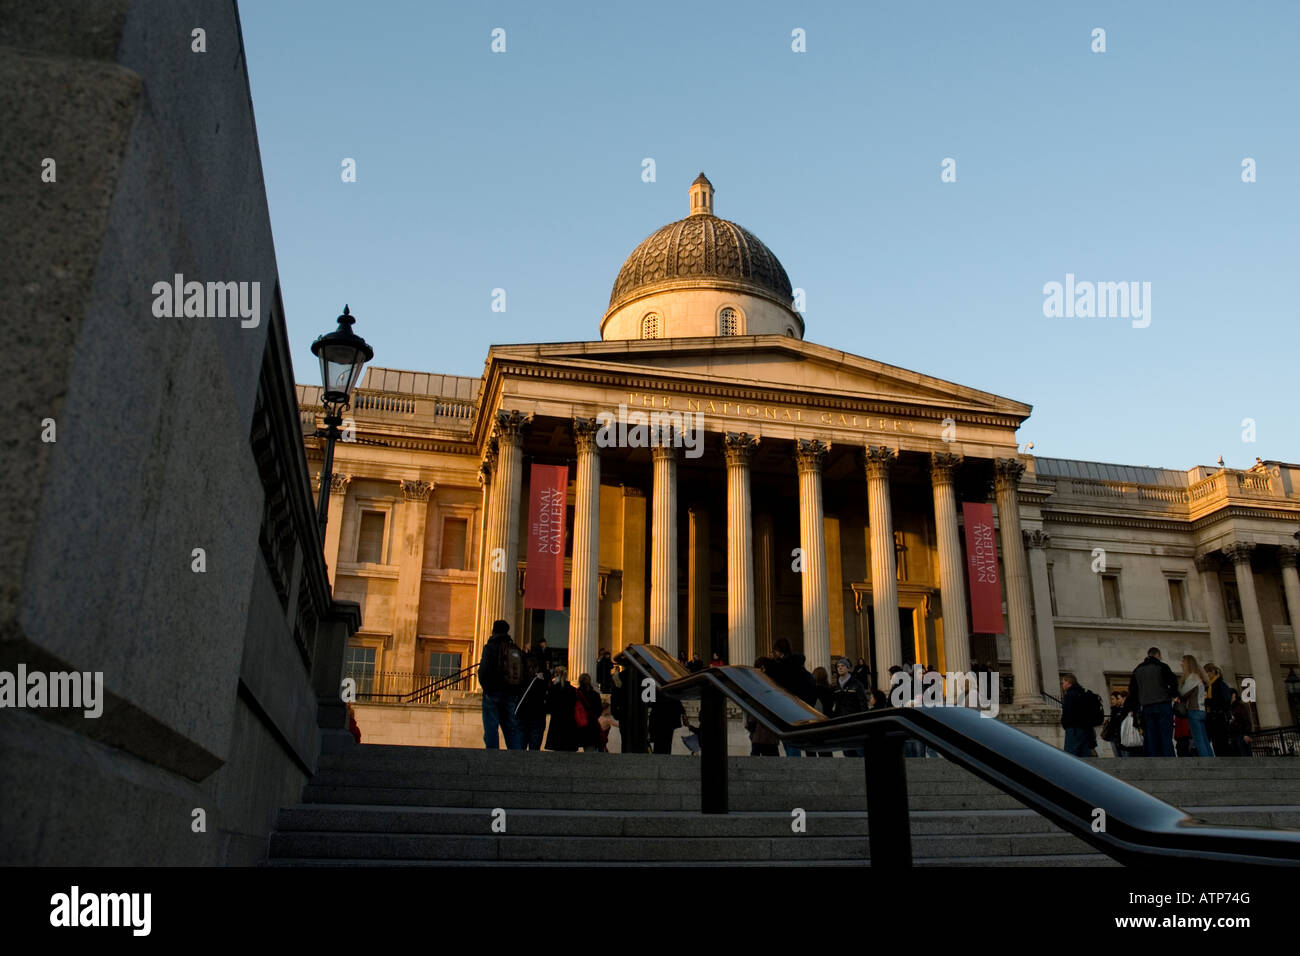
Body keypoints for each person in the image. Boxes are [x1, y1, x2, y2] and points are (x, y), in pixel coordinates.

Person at [478, 619, 525, 749]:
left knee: (491, 727)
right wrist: (515, 691)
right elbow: (523, 672)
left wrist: (487, 688)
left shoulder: (490, 647)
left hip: (492, 692)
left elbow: (483, 671)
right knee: (511, 728)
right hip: (510, 693)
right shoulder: (514, 648)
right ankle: (516, 756)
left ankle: (493, 757)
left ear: (493, 630)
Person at [769, 638, 817, 756]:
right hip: (802, 708)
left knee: (790, 742)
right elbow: (811, 686)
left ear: (779, 651)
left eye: (775, 651)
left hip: (787, 709)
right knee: (794, 742)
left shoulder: (781, 669)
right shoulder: (801, 668)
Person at [1128, 647, 1179, 757]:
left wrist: (1136, 707)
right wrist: (1171, 695)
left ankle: (1154, 760)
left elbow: (1132, 691)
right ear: (1158, 655)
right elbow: (1173, 682)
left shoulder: (1138, 670)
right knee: (1165, 736)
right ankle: (1169, 759)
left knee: (1151, 736)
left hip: (1147, 707)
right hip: (1163, 704)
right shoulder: (1161, 666)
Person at [831, 657, 869, 757]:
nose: (840, 668)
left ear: (848, 668)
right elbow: (836, 706)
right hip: (842, 723)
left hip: (855, 722)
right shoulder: (836, 687)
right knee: (847, 751)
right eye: (838, 666)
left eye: (843, 666)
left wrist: (863, 720)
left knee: (859, 751)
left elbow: (863, 703)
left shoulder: (857, 684)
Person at [1180, 654, 1214, 757]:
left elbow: (1183, 693)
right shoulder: (1198, 677)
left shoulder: (1192, 677)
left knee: (1199, 741)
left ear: (1187, 664)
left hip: (1194, 711)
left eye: (1182, 662)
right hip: (1201, 711)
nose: (1181, 664)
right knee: (1204, 739)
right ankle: (1211, 760)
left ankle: (1206, 763)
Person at [746, 658, 782, 755]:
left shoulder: (759, 686)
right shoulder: (774, 686)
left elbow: (753, 710)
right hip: (769, 734)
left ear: (762, 669)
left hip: (760, 734)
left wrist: (750, 725)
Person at [515, 652, 549, 750]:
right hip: (537, 717)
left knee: (520, 747)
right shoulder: (541, 681)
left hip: (522, 716)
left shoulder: (520, 680)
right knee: (534, 749)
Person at [1059, 674, 1098, 757]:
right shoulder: (1083, 693)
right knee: (1084, 753)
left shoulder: (1070, 695)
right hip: (1086, 729)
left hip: (1073, 729)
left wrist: (1065, 723)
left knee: (1071, 754)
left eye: (1063, 683)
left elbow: (1068, 712)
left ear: (1068, 683)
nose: (1062, 685)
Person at [544, 666, 580, 752]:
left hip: (557, 723)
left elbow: (549, 706)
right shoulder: (572, 690)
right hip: (570, 723)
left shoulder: (554, 689)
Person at [1204, 663, 1234, 758]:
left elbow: (1224, 702)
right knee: (1216, 744)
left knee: (1222, 744)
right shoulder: (1209, 686)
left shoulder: (1221, 684)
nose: (1205, 676)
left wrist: (1207, 701)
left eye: (1206, 673)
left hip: (1219, 718)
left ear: (1212, 672)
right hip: (1211, 718)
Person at [810, 665, 835, 757]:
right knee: (825, 750)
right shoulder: (830, 689)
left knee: (811, 748)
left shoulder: (814, 689)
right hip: (827, 720)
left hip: (815, 721)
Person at [1228, 690, 1254, 756]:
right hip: (1234, 737)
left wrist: (1246, 734)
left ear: (1233, 695)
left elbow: (1246, 720)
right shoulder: (1229, 707)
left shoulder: (1240, 706)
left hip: (1242, 736)